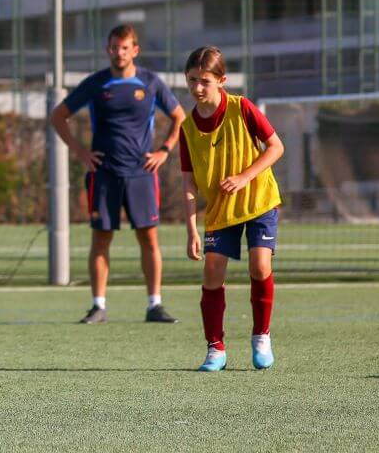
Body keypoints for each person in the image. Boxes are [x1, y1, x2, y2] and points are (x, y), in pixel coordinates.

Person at [50, 24, 186, 324]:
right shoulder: (96, 83)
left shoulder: (150, 82)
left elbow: (179, 117)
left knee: (149, 238)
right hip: (104, 174)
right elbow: (58, 116)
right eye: (114, 47)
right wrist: (80, 152)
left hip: (141, 173)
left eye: (125, 48)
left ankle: (154, 305)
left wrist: (164, 150)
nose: (119, 52)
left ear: (135, 50)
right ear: (107, 50)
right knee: (101, 239)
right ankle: (98, 306)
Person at [179, 45, 283, 372]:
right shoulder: (187, 128)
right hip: (221, 208)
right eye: (192, 80)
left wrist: (244, 177)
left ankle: (261, 336)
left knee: (260, 265)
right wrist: (191, 229)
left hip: (259, 200)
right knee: (212, 271)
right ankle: (216, 348)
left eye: (205, 81)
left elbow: (276, 147)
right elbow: (188, 182)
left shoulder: (242, 108)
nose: (197, 87)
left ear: (221, 81)